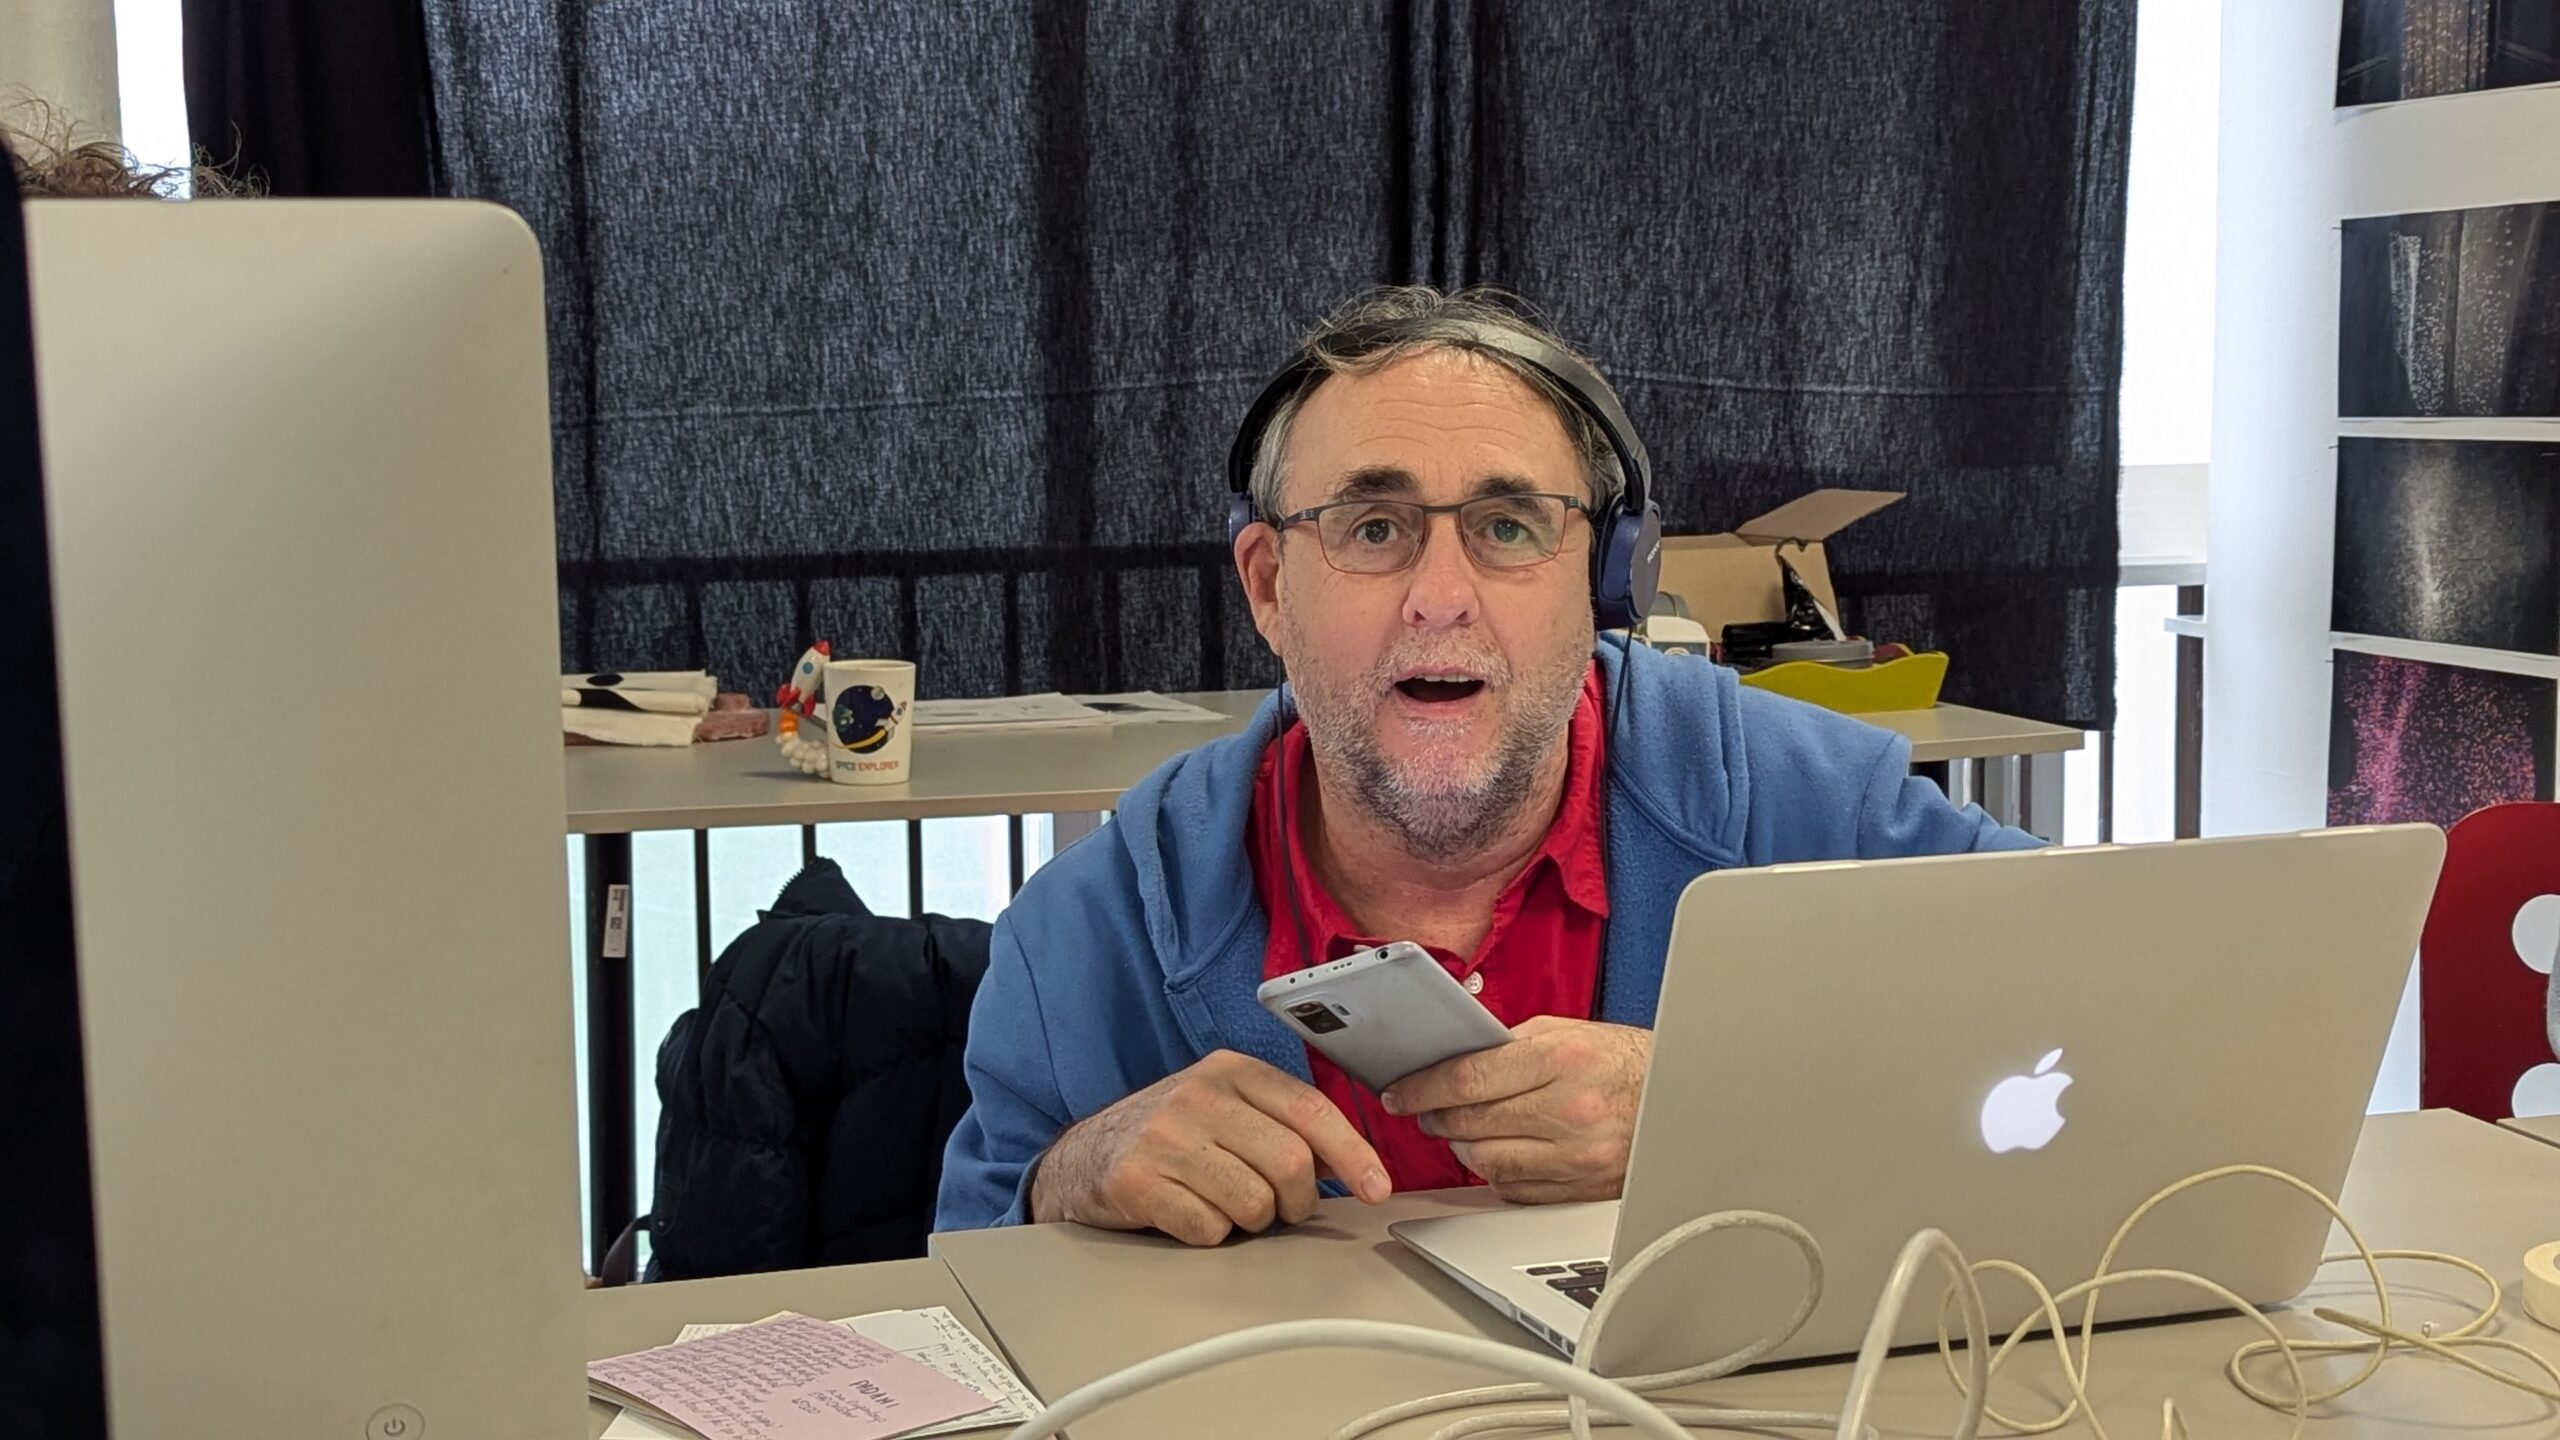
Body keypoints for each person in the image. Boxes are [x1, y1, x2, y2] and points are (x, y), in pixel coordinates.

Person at [934, 286, 2035, 1244]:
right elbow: (969, 1257)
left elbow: (2092, 1038)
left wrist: (1721, 1107)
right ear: (1268, 587)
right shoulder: (1088, 929)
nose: (1441, 597)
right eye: (1373, 528)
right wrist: (1069, 1180)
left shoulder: (1826, 812)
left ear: (1607, 581)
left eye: (1509, 527)